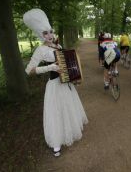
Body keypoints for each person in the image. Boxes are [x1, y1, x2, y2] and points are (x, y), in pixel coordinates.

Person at [23, 9, 88, 157]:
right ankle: (56, 142)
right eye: (45, 33)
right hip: (53, 85)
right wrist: (49, 67)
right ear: (41, 35)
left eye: (50, 31)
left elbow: (68, 63)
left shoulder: (58, 47)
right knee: (56, 112)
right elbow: (29, 70)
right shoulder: (40, 50)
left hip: (65, 84)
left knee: (68, 108)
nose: (50, 35)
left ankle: (69, 132)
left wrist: (74, 76)